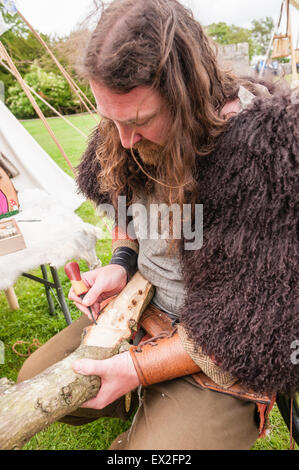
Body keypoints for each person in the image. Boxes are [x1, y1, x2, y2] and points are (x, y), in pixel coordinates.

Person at [18, 0, 298, 450]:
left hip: (216, 344)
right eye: (113, 119)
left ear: (186, 92)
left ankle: (161, 416)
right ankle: (151, 407)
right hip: (140, 307)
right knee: (33, 382)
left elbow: (256, 321)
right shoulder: (123, 130)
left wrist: (137, 368)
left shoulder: (260, 156)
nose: (125, 139)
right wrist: (122, 262)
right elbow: (119, 200)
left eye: (140, 121)